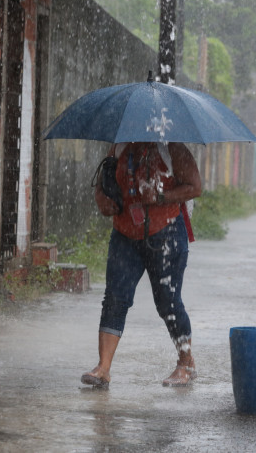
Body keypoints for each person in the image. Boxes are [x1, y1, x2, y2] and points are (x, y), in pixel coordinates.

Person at [81, 141, 202, 388]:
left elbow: (195, 187)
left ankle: (186, 363)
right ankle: (103, 368)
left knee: (168, 303)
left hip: (165, 233)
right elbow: (102, 184)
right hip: (125, 234)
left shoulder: (172, 149)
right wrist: (102, 200)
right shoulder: (118, 147)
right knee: (115, 298)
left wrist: (161, 196)